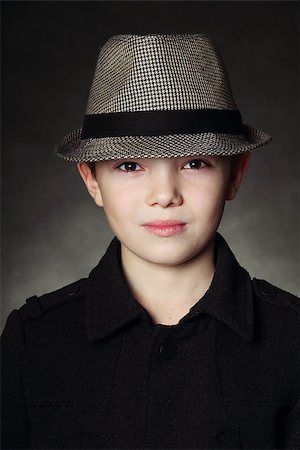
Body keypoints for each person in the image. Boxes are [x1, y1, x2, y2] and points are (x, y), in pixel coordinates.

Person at [1, 34, 299, 450]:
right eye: (129, 165)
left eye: (195, 162)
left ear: (235, 174)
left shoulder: (292, 338)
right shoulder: (34, 339)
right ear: (92, 181)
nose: (164, 194)